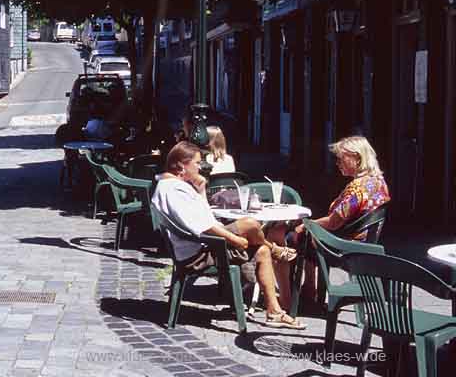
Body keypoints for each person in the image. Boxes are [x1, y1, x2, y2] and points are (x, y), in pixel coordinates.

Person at [152, 141, 305, 329]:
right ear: (182, 165)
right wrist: (235, 239)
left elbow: (201, 216)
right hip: (200, 253)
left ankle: (274, 312)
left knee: (262, 250)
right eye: (197, 163)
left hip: (203, 245)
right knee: (250, 223)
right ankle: (276, 249)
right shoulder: (174, 190)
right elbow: (203, 226)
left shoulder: (170, 185)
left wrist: (200, 191)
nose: (201, 168)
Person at [271, 135, 390, 312]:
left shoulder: (357, 188)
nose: (338, 163)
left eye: (341, 159)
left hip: (345, 246)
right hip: (363, 241)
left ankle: (291, 298)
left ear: (357, 158)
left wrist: (304, 225)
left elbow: (334, 222)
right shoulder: (378, 182)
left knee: (291, 236)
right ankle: (310, 289)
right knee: (307, 235)